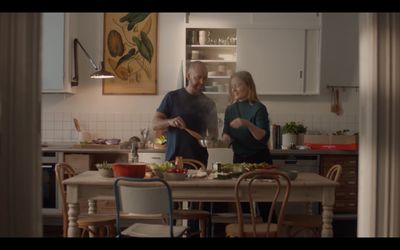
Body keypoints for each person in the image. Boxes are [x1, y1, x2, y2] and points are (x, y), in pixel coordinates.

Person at [220, 70, 274, 226]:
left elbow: (263, 137)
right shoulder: (230, 110)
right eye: (232, 87)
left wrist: (247, 123)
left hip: (259, 159)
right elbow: (227, 133)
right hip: (239, 160)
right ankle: (245, 232)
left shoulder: (259, 108)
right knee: (242, 202)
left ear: (248, 86)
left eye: (238, 85)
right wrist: (224, 139)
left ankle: (271, 231)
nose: (234, 89)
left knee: (265, 203)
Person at [152, 61, 218, 166]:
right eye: (198, 77)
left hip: (199, 162)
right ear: (188, 76)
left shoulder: (209, 103)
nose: (202, 82)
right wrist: (169, 121)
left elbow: (214, 134)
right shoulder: (172, 97)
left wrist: (212, 139)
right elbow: (155, 124)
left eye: (205, 78)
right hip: (174, 160)